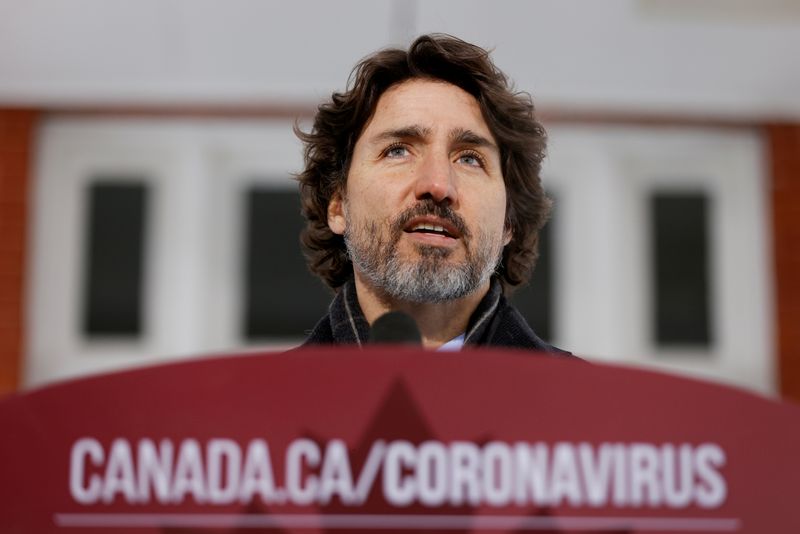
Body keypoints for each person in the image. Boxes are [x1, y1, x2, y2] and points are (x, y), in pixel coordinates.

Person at [296, 33, 570, 355]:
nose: (438, 185)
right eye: (398, 151)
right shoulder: (255, 403)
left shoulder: (591, 403)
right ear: (338, 204)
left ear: (509, 221)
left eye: (469, 159)